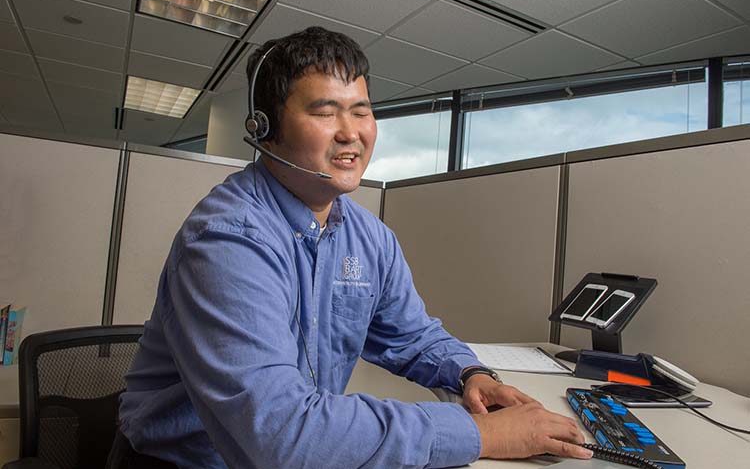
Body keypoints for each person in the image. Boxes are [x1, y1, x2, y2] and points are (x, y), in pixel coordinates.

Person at [115, 26, 592, 468]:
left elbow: (412, 336)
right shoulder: (229, 240)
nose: (352, 132)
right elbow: (281, 435)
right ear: (265, 128)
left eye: (361, 111)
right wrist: (480, 434)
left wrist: (470, 374)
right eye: (325, 112)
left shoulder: (369, 236)